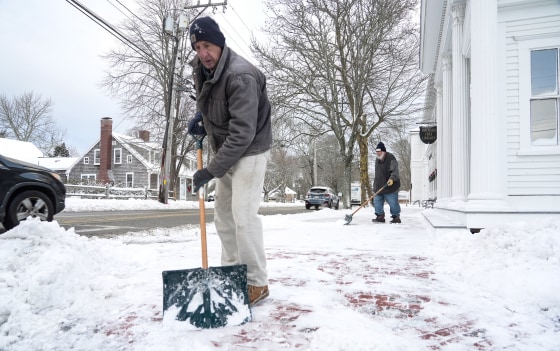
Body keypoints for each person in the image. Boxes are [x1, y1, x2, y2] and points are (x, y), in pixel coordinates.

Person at [187, 16, 272, 306]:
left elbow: (243, 133)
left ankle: (256, 282)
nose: (203, 53)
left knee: (243, 217)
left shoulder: (240, 76)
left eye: (207, 45)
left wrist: (210, 170)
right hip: (226, 148)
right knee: (223, 216)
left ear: (220, 43)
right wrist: (202, 116)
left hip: (250, 149)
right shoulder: (202, 67)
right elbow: (213, 100)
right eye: (197, 47)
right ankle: (233, 270)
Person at [372, 142, 401, 224]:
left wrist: (392, 178)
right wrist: (375, 185)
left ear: (384, 151)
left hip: (390, 186)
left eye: (379, 151)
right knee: (377, 202)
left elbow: (395, 171)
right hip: (379, 186)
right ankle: (380, 216)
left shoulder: (391, 158)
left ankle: (396, 217)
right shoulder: (377, 159)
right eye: (377, 152)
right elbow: (377, 174)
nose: (378, 153)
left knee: (393, 203)